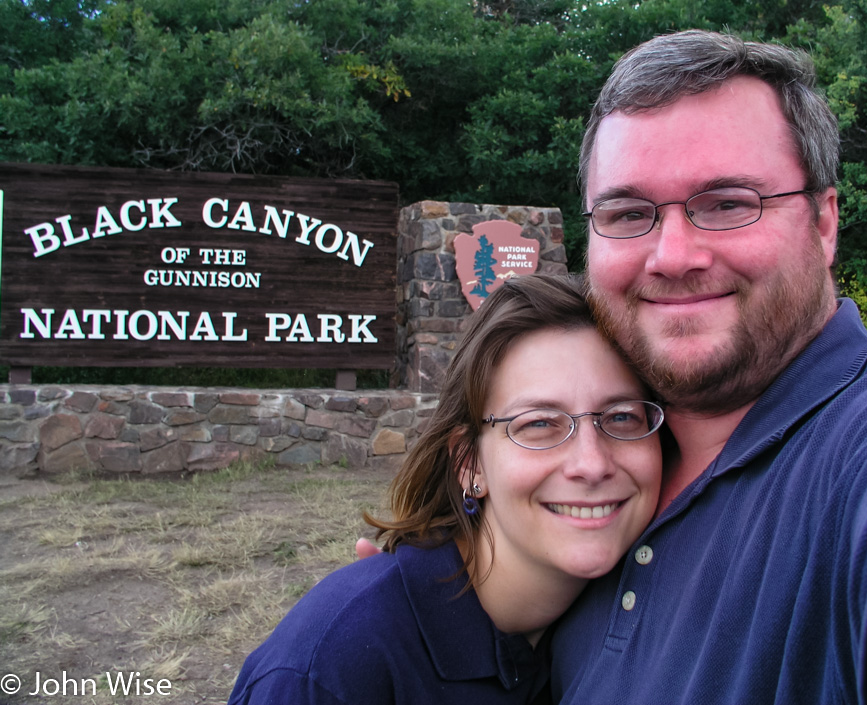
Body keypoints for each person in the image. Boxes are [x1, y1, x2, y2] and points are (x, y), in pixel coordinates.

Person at [548, 29, 867, 705]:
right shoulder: (596, 469)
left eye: (729, 203)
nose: (673, 255)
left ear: (824, 224)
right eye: (628, 213)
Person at [227, 274, 665, 704]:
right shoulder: (333, 669)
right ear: (469, 463)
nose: (591, 464)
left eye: (622, 417)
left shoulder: (636, 615)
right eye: (538, 424)